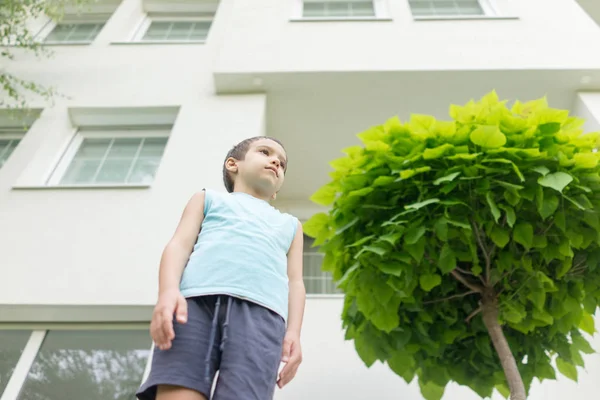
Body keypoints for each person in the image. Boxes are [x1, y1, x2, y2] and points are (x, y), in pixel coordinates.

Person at [136, 136, 305, 400]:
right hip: (193, 307)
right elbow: (179, 245)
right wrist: (168, 291)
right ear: (232, 164)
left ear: (276, 191)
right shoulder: (207, 199)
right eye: (265, 152)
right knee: (177, 391)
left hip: (262, 317)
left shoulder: (291, 226)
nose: (276, 161)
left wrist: (293, 332)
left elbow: (295, 282)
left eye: (282, 164)